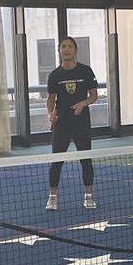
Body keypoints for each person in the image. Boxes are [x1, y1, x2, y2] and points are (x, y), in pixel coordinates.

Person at [45, 36, 99, 210]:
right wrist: (51, 113)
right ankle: (53, 197)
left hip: (81, 122)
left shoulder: (86, 71)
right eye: (63, 47)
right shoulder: (54, 75)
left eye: (70, 46)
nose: (66, 49)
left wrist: (83, 104)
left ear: (75, 50)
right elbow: (50, 99)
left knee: (85, 160)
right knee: (57, 161)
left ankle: (88, 196)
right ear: (59, 51)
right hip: (62, 124)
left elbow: (93, 95)